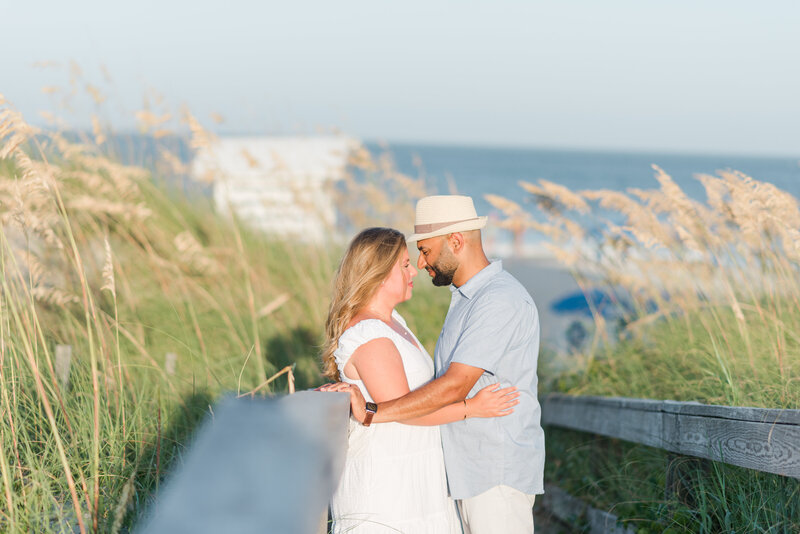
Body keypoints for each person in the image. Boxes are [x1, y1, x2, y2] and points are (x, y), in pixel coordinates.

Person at [329, 196, 545, 534]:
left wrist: (373, 411)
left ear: (456, 242)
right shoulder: (465, 299)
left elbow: (455, 384)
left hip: (493, 470)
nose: (420, 263)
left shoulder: (497, 300)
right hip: (462, 472)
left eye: (426, 251)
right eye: (410, 259)